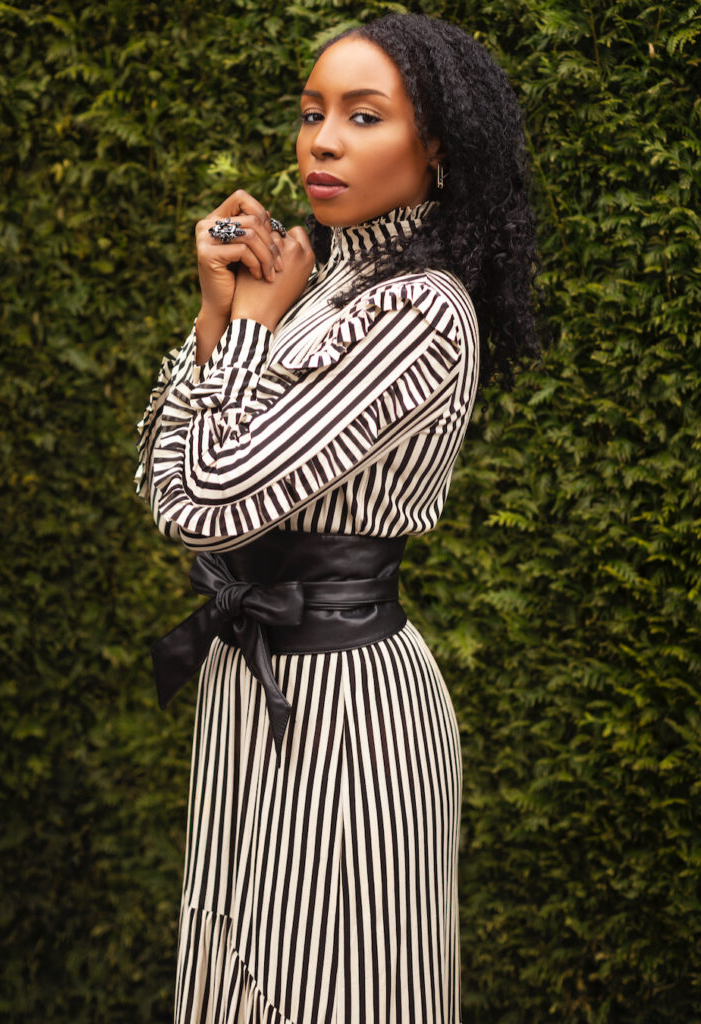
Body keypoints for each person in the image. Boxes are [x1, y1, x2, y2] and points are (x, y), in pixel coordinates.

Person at [135, 12, 542, 1023]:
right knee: (239, 974)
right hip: (256, 684)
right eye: (313, 112)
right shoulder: (315, 284)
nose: (321, 141)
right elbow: (168, 481)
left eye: (364, 116)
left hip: (345, 712)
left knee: (336, 986)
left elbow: (208, 496)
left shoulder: (421, 311)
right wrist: (217, 314)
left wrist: (251, 326)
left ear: (437, 146)